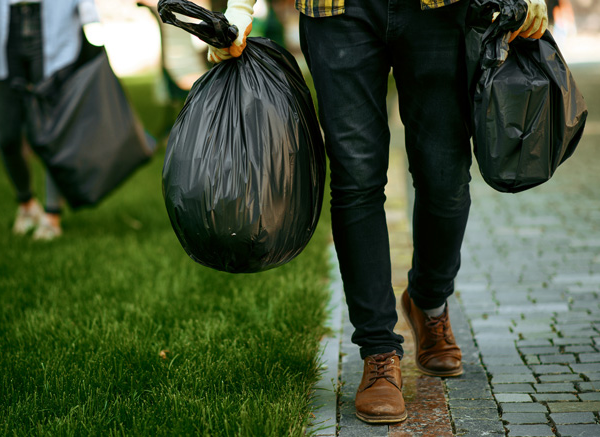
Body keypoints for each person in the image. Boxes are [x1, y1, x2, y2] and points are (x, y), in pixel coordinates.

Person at [208, 0, 547, 424]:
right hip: (336, 13)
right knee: (356, 178)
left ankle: (428, 302)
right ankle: (378, 351)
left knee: (446, 177)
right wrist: (239, 8)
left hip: (437, 9)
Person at [0, 0, 104, 240]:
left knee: (51, 132)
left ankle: (52, 216)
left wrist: (86, 11)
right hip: (7, 31)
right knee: (7, 138)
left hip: (52, 24)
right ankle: (27, 204)